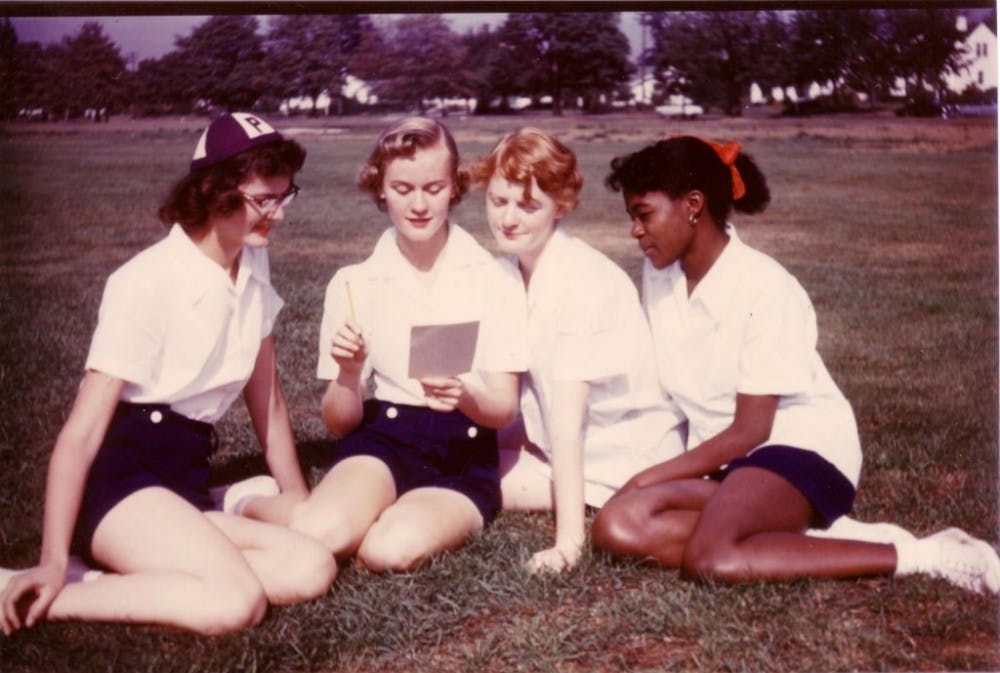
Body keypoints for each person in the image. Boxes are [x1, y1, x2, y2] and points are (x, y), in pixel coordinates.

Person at [591, 135, 1000, 594]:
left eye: (643, 215)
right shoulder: (659, 275)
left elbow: (752, 431)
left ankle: (927, 555)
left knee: (712, 559)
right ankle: (806, 537)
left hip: (794, 448)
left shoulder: (765, 287)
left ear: (693, 205)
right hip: (726, 462)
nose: (635, 231)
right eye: (631, 217)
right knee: (617, 527)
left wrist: (647, 477)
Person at [0, 113, 336, 636]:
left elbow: (266, 399)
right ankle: (49, 587)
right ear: (211, 191)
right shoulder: (144, 282)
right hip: (121, 485)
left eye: (283, 196)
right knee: (234, 603)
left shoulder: (250, 260)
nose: (279, 216)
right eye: (262, 201)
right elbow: (82, 433)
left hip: (184, 482)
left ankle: (149, 568)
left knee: (311, 565)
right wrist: (50, 554)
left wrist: (298, 499)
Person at [242, 117, 527, 572]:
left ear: (454, 187)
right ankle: (245, 504)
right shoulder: (354, 283)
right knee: (322, 535)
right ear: (380, 188)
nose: (418, 204)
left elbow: (503, 409)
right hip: (385, 436)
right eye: (402, 188)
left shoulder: (496, 279)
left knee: (386, 551)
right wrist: (350, 374)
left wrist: (468, 397)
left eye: (433, 188)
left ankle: (375, 515)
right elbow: (340, 424)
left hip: (463, 446)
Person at [469, 127, 686, 573]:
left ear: (560, 207)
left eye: (528, 205)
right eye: (498, 200)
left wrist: (568, 544)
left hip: (619, 456)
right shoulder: (510, 269)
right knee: (441, 448)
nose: (508, 219)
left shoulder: (583, 281)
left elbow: (568, 422)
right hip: (557, 442)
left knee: (457, 475)